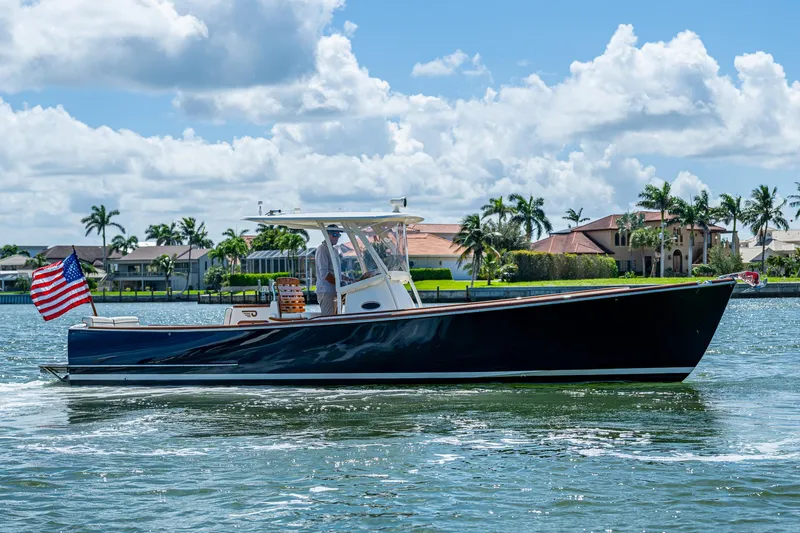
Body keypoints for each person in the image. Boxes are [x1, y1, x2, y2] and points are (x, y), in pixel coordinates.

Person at [315, 225, 353, 315]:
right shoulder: (322, 249)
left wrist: (350, 280)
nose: (337, 237)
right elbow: (324, 274)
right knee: (329, 320)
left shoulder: (334, 250)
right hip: (326, 291)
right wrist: (339, 284)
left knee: (337, 317)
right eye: (334, 234)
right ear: (327, 235)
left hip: (336, 291)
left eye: (338, 235)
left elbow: (336, 273)